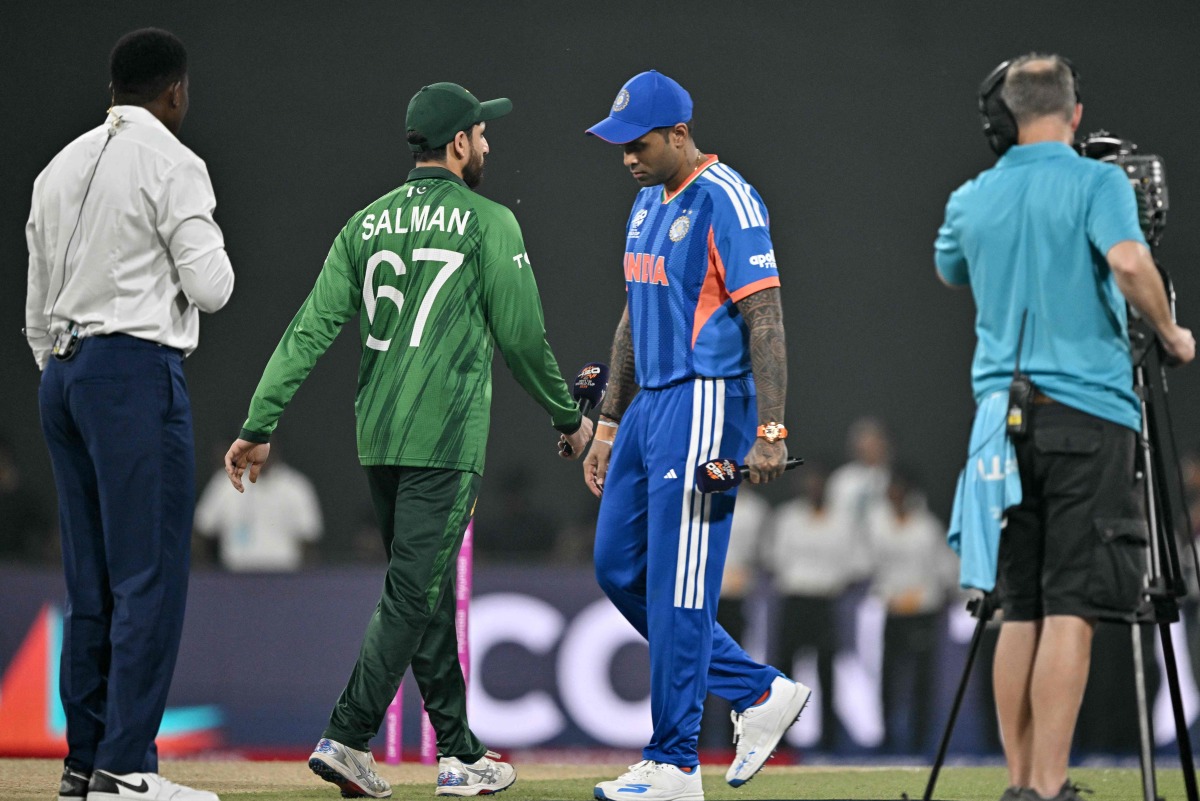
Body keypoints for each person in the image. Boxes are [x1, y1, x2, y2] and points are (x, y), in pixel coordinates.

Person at [223, 81, 593, 799]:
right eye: (481, 133)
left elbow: (310, 331)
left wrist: (258, 423)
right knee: (411, 593)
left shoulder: (363, 225)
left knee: (420, 591)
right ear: (457, 144)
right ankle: (348, 734)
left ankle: (458, 753)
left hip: (379, 434)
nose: (488, 143)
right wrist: (566, 416)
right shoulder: (491, 223)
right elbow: (521, 337)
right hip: (445, 439)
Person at [935, 53, 1195, 801]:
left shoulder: (973, 195)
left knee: (1018, 606)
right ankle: (1049, 787)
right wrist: (1172, 334)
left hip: (998, 423)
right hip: (1088, 412)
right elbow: (1127, 259)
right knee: (1071, 604)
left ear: (1005, 118)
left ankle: (1020, 781)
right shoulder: (1098, 182)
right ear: (1074, 114)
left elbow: (951, 267)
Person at [581, 70, 808, 801]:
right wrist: (609, 423)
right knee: (618, 567)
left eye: (637, 143)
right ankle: (758, 690)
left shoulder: (728, 200)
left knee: (681, 587)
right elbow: (631, 311)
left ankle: (675, 762)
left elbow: (765, 315)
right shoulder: (647, 201)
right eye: (618, 146)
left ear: (679, 133)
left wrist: (770, 429)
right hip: (650, 406)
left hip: (710, 400)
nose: (626, 158)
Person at [25, 28, 233, 801]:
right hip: (132, 372)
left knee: (91, 582)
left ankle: (84, 763)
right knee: (147, 575)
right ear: (175, 92)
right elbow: (213, 286)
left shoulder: (58, 168)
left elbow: (37, 311)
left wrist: (66, 369)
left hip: (64, 376)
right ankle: (127, 767)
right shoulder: (174, 163)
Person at [866, 467, 957, 755]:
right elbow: (872, 567)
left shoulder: (927, 527)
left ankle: (921, 737)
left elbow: (945, 570)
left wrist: (929, 595)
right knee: (889, 679)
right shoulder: (878, 526)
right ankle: (887, 735)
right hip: (893, 613)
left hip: (922, 612)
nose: (895, 497)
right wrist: (885, 594)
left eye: (900, 491)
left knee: (921, 679)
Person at [767, 461, 856, 752]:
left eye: (820, 482)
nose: (814, 488)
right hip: (794, 600)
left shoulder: (843, 521)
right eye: (810, 482)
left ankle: (829, 740)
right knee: (784, 673)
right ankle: (780, 737)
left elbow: (854, 562)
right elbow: (773, 558)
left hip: (824, 602)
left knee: (826, 672)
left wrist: (831, 579)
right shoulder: (787, 518)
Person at [194, 447, 323, 571]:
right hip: (235, 577)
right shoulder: (225, 483)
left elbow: (309, 539)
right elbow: (202, 530)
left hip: (284, 577)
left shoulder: (295, 486)